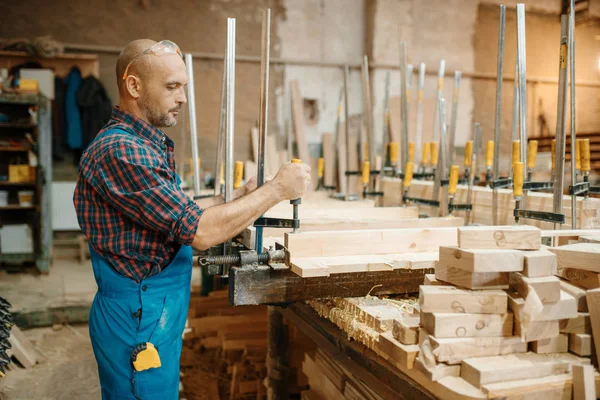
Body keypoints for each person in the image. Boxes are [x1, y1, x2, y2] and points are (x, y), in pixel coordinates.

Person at [73, 39, 311, 400]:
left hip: (152, 310)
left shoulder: (143, 143)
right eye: (172, 87)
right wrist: (276, 190)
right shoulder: (121, 150)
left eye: (183, 86)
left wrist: (241, 198)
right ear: (133, 86)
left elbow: (176, 208)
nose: (183, 97)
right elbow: (199, 231)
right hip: (138, 315)